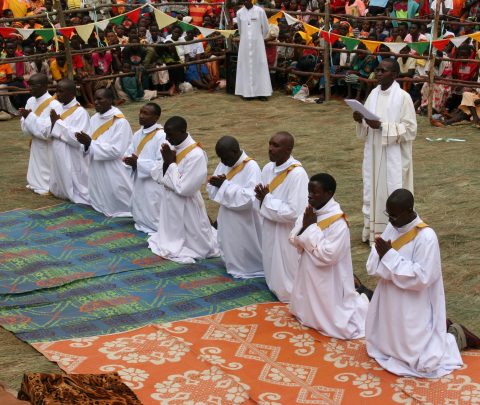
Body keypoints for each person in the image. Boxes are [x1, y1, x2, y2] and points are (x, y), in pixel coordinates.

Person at [366, 189, 480, 377]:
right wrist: (385, 259)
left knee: (422, 360)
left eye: (394, 215)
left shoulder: (426, 237)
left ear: (409, 210)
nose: (390, 220)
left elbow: (422, 277)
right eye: (389, 214)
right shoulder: (392, 227)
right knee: (385, 342)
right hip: (389, 299)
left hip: (413, 303)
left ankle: (456, 336)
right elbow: (373, 264)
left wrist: (389, 258)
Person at [289, 173, 369, 339]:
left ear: (329, 193)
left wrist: (309, 229)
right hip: (308, 269)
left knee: (331, 314)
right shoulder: (310, 211)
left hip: (328, 276)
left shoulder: (338, 222)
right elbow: (293, 238)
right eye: (309, 191)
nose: (310, 195)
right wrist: (305, 229)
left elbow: (329, 255)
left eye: (315, 192)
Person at [353, 59, 417, 244]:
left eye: (384, 70)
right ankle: (372, 232)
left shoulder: (403, 97)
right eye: (377, 70)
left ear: (395, 75)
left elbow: (411, 129)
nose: (379, 73)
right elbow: (367, 124)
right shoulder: (373, 93)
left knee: (391, 191)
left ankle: (394, 235)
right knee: (371, 189)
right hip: (373, 152)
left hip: (393, 155)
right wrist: (360, 119)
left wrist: (382, 126)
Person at [148, 116, 220, 263]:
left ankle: (194, 246)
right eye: (166, 134)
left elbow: (185, 188)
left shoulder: (196, 155)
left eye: (170, 134)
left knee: (193, 237)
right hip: (169, 199)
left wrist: (170, 163)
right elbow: (156, 174)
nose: (167, 138)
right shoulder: (171, 146)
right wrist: (166, 164)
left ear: (182, 131)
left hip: (187, 202)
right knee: (171, 230)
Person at [254, 132, 308, 302]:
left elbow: (294, 211)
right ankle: (274, 285)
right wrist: (261, 199)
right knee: (271, 258)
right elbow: (259, 197)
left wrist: (266, 200)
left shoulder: (297, 174)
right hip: (269, 224)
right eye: (270, 144)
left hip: (286, 230)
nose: (270, 149)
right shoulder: (267, 168)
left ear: (288, 149)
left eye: (276, 146)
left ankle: (290, 292)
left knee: (286, 263)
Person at [207, 136, 263, 279]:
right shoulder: (225, 163)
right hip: (226, 212)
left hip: (244, 218)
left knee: (242, 244)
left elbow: (250, 198)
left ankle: (248, 268)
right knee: (228, 240)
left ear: (234, 151)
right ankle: (231, 264)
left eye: (224, 157)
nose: (222, 162)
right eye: (220, 158)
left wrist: (224, 186)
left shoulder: (251, 167)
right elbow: (212, 187)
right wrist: (216, 185)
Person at [75, 88, 133, 217]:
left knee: (116, 193)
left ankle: (123, 209)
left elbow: (116, 150)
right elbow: (89, 140)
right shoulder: (94, 118)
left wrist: (90, 143)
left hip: (113, 166)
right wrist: (85, 144)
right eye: (95, 99)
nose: (96, 102)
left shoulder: (120, 122)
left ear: (111, 100)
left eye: (100, 99)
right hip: (96, 163)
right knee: (99, 190)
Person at [124, 103, 166, 234]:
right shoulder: (137, 134)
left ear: (156, 117)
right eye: (140, 112)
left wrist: (139, 163)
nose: (141, 116)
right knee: (140, 204)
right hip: (139, 178)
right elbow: (130, 151)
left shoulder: (161, 135)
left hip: (153, 182)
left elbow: (162, 163)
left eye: (146, 113)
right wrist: (128, 160)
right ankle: (142, 221)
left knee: (153, 207)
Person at [19, 73, 62, 195]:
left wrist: (30, 118)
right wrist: (28, 120)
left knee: (47, 164)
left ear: (44, 86)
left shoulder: (54, 105)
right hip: (35, 141)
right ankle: (35, 182)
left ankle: (47, 185)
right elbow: (24, 124)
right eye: (29, 85)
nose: (30, 88)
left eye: (34, 85)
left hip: (47, 143)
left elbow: (48, 130)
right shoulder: (30, 101)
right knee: (36, 163)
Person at [49, 79, 90, 204]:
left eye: (61, 91)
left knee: (72, 174)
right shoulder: (58, 108)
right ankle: (61, 190)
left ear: (72, 93)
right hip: (58, 148)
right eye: (56, 91)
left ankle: (74, 192)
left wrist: (58, 123)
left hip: (71, 152)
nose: (57, 94)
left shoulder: (80, 112)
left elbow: (78, 138)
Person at [235, 0, 272, 101]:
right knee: (246, 67)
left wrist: (259, 38)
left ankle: (262, 93)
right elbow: (240, 29)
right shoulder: (239, 13)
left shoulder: (260, 11)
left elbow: (266, 28)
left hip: (258, 44)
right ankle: (247, 93)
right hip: (244, 44)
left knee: (260, 66)